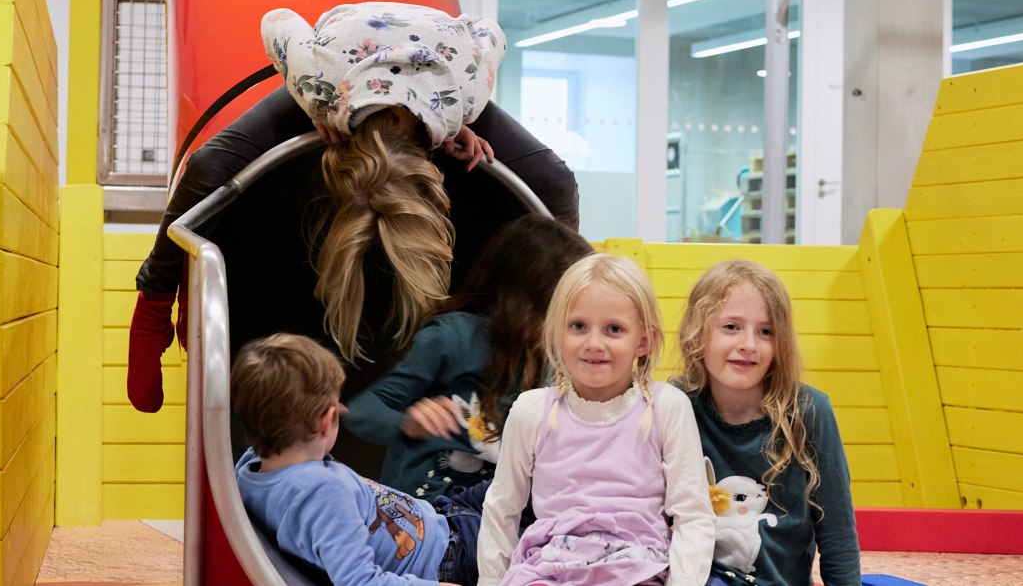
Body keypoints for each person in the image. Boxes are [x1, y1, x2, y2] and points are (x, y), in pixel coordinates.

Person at [127, 1, 579, 417]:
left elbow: (488, 32)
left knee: (555, 183)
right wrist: (318, 107)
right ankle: (153, 304)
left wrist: (454, 120)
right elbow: (276, 20)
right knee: (207, 166)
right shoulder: (319, 85)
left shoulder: (463, 93)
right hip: (344, 68)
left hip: (441, 75)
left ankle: (561, 315)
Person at [477, 254, 716, 585]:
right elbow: (501, 508)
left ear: (643, 341)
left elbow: (693, 515)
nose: (593, 344)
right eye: (578, 326)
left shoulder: (666, 407)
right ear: (556, 333)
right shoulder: (531, 412)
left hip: (635, 570)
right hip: (548, 570)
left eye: (614, 329)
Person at [344, 214, 594, 499]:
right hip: (425, 509)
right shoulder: (453, 338)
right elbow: (361, 411)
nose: (563, 327)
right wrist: (408, 421)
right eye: (554, 311)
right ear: (519, 299)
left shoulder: (550, 357)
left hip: (494, 507)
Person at [232, 333, 484, 586]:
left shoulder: (248, 472)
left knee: (502, 487)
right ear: (326, 421)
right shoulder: (322, 493)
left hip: (442, 516)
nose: (343, 409)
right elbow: (361, 582)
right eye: (337, 408)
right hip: (448, 557)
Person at [672, 260, 859, 586]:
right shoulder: (675, 405)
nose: (748, 344)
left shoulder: (809, 411)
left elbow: (837, 534)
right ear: (697, 332)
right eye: (731, 327)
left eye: (766, 331)